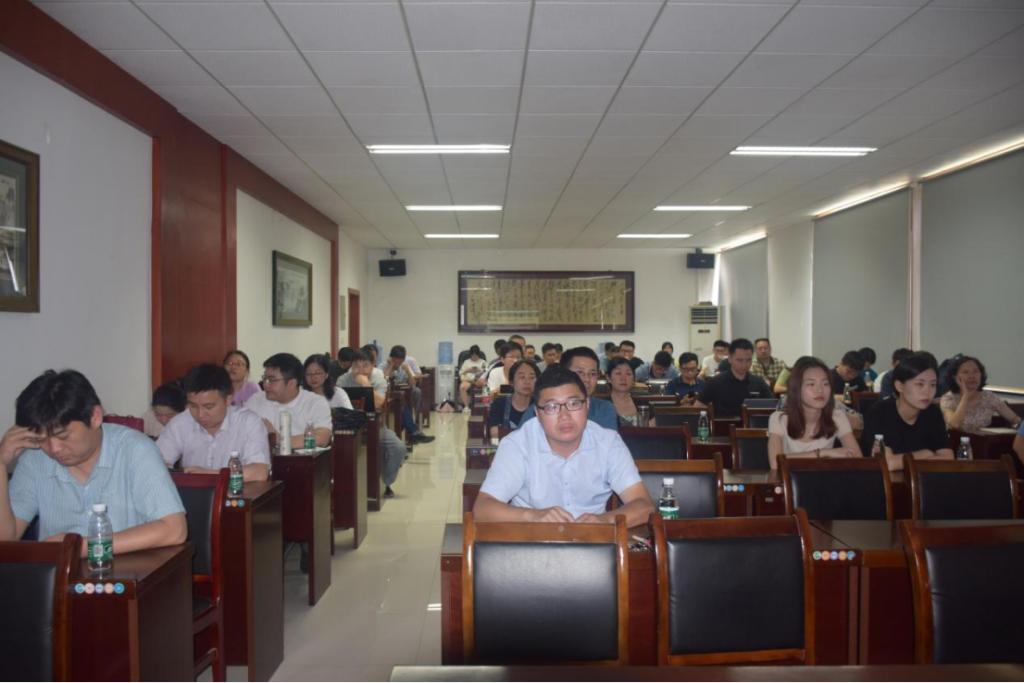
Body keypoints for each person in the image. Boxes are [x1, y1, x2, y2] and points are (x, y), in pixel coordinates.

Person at [0, 369, 186, 553]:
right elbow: (6, 540)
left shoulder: (135, 450)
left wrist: (79, 548)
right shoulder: (34, 460)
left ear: (95, 417)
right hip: (56, 572)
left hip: (126, 569)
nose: (54, 448)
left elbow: (174, 530)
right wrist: (1, 464)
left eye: (63, 436)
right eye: (41, 439)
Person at [473, 366, 654, 526]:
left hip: (593, 542)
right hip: (531, 543)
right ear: (537, 413)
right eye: (552, 407)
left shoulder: (608, 442)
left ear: (587, 405)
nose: (564, 415)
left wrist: (604, 521)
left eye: (573, 403)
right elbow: (482, 508)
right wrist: (533, 516)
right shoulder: (517, 445)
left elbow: (644, 505)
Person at [157, 364, 270, 481]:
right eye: (193, 406)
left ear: (228, 399)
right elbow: (155, 462)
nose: (200, 414)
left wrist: (210, 475)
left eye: (209, 407)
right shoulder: (181, 422)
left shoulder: (248, 422)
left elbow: (259, 472)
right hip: (191, 492)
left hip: (235, 492)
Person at [860, 353, 954, 471]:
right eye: (920, 384)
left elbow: (947, 458)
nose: (927, 391)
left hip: (922, 480)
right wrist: (925, 453)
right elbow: (888, 464)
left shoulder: (933, 413)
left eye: (933, 385)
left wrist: (903, 460)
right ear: (899, 386)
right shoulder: (880, 412)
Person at [767, 357, 862, 470]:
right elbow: (776, 463)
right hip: (790, 480)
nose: (820, 390)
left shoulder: (837, 416)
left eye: (825, 384)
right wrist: (823, 453)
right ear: (796, 389)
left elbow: (857, 458)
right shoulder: (778, 419)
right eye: (811, 384)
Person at [337, 351, 410, 496]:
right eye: (356, 366)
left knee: (398, 448)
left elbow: (379, 403)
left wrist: (365, 384)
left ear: (372, 366)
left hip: (375, 426)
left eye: (365, 366)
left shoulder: (378, 379)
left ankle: (385, 482)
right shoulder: (342, 380)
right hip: (347, 428)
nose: (360, 370)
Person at [244, 353, 332, 450]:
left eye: (271, 380)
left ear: (291, 383)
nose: (265, 384)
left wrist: (279, 440)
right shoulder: (256, 400)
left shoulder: (315, 403)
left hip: (302, 459)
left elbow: (322, 437)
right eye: (265, 378)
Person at [520, 347, 619, 430]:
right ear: (564, 373)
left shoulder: (604, 409)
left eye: (592, 374)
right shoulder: (541, 409)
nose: (587, 379)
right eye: (580, 372)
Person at [939, 355, 1021, 432]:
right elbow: (955, 424)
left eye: (976, 371)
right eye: (965, 372)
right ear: (955, 377)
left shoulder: (988, 397)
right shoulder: (948, 399)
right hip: (955, 440)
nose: (972, 376)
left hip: (984, 440)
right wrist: (965, 397)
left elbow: (1015, 419)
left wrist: (1018, 429)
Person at [695, 339, 774, 418]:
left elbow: (772, 407)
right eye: (739, 360)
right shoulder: (715, 382)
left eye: (748, 360)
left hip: (751, 425)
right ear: (730, 359)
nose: (744, 364)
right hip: (723, 425)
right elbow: (698, 408)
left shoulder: (758, 382)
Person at [380, 345, 432, 444]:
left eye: (400, 362)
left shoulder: (403, 367)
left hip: (400, 396)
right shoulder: (383, 366)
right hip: (385, 396)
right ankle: (413, 432)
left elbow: (412, 384)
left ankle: (412, 431)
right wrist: (391, 366)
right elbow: (383, 380)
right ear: (391, 358)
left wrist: (408, 370)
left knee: (405, 403)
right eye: (395, 361)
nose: (397, 364)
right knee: (403, 407)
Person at [487, 360, 538, 438]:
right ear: (511, 382)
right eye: (522, 377)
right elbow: (494, 433)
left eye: (532, 377)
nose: (527, 382)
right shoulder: (499, 403)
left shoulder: (540, 405)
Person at [607, 357, 644, 427]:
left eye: (628, 374)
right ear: (608, 378)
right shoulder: (602, 405)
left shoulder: (643, 403)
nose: (623, 378)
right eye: (618, 373)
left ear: (633, 379)